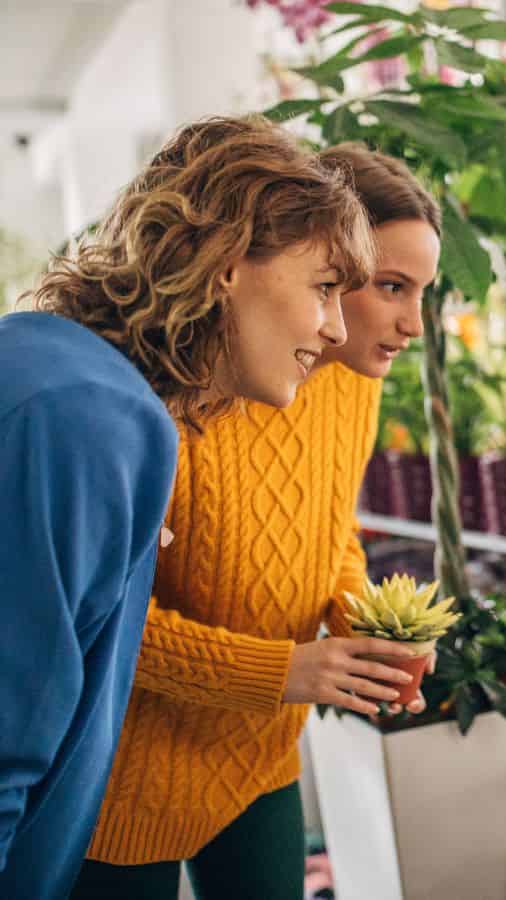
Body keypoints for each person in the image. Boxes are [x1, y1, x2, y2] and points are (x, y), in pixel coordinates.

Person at [0, 116, 377, 900]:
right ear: (231, 262)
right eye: (324, 286)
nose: (338, 327)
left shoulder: (57, 369)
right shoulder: (88, 414)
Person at [71, 143, 443, 900]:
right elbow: (98, 620)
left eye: (423, 292)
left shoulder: (353, 384)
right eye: (389, 286)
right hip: (129, 772)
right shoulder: (163, 400)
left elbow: (327, 524)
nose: (413, 323)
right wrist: (283, 671)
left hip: (261, 753)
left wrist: (358, 623)